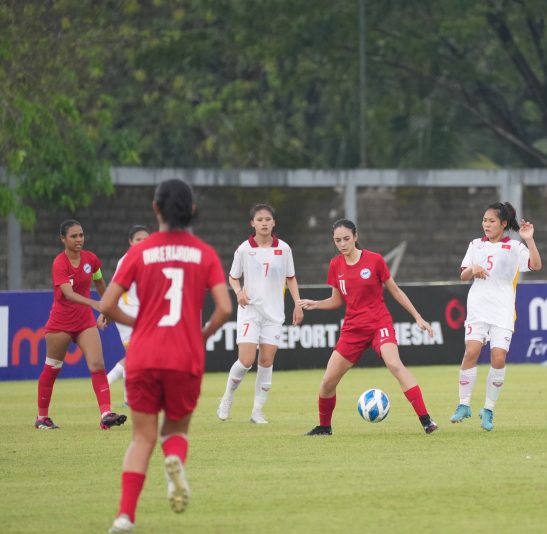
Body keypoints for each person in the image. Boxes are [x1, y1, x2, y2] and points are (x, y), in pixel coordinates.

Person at [100, 179, 231, 533]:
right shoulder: (204, 253)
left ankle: (125, 516)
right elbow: (224, 307)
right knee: (175, 429)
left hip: (143, 355)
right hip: (183, 355)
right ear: (193, 211)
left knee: (142, 438)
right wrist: (201, 334)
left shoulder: (139, 253)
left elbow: (108, 304)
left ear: (155, 209)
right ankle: (174, 459)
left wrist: (139, 323)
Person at [297, 219, 438, 435]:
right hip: (353, 329)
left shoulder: (374, 260)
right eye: (337, 240)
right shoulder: (336, 265)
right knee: (327, 381)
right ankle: (324, 427)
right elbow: (336, 301)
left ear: (355, 237)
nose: (342, 244)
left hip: (379, 323)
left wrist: (417, 317)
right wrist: (316, 304)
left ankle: (426, 420)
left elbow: (396, 291)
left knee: (394, 364)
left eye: (346, 239)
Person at [449, 202, 542, 431]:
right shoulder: (475, 245)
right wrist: (473, 270)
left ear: (503, 224)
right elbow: (463, 275)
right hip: (478, 310)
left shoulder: (514, 248)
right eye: (484, 220)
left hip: (502, 311)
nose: (486, 224)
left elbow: (536, 265)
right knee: (471, 352)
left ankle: (488, 409)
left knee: (498, 358)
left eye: (491, 221)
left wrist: (529, 239)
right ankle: (464, 404)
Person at [35, 219, 127, 430]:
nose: (79, 239)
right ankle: (42, 417)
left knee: (98, 365)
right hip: (60, 323)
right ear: (63, 239)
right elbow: (67, 293)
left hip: (84, 322)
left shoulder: (91, 260)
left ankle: (106, 414)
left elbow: (100, 282)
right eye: (74, 236)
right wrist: (95, 303)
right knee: (52, 368)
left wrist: (107, 306)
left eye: (81, 235)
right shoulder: (60, 263)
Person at [216, 203, 303, 424]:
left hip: (274, 314)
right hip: (250, 312)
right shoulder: (244, 249)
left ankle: (257, 411)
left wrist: (298, 304)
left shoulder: (284, 249)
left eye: (268, 219)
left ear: (274, 223)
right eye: (260, 219)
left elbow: (290, 277)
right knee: (246, 360)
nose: (264, 223)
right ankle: (227, 397)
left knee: (266, 360)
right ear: (252, 223)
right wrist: (238, 293)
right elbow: (233, 276)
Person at [106, 225, 151, 407]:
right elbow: (115, 286)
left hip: (140, 312)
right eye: (139, 239)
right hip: (126, 311)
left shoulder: (149, 260)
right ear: (131, 242)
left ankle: (124, 395)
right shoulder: (126, 261)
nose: (143, 243)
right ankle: (119, 391)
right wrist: (107, 310)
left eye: (146, 239)